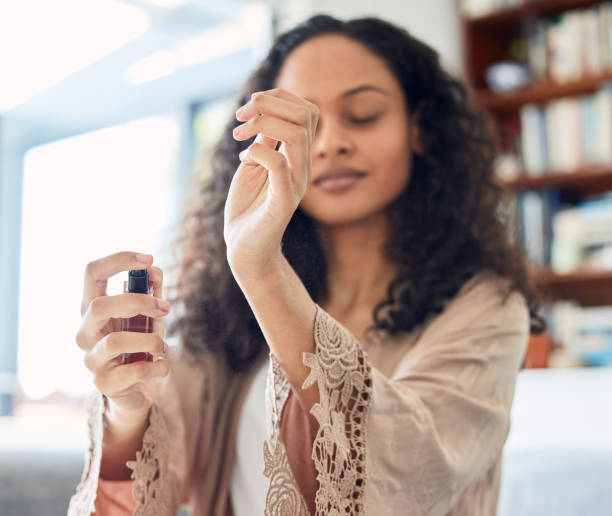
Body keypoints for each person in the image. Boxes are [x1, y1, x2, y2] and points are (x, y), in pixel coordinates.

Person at [68, 13, 545, 516]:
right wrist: (126, 404)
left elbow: (405, 479)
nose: (330, 142)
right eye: (304, 123)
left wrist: (261, 268)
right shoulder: (227, 313)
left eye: (363, 115)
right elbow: (144, 481)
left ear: (419, 130)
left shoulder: (486, 309)